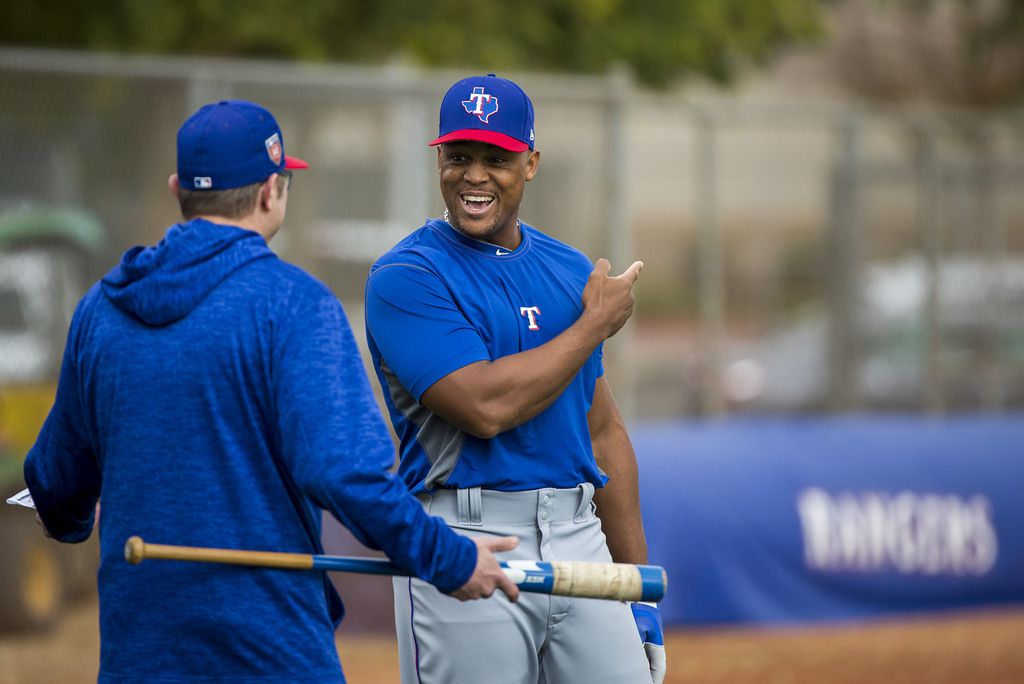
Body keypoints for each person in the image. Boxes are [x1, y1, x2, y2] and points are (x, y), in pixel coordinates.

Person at [23, 99, 518, 684]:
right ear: (270, 192)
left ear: (179, 188)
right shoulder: (295, 305)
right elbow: (344, 474)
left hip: (140, 657)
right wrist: (449, 559)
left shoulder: (100, 311)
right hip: (272, 655)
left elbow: (55, 485)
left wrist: (79, 518)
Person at [364, 75, 666, 684]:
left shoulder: (569, 268)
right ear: (439, 159)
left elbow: (603, 433)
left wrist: (637, 592)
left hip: (577, 532)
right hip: (465, 537)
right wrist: (593, 325)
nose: (474, 176)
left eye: (496, 158)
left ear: (529, 164)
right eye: (458, 157)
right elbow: (485, 405)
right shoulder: (406, 274)